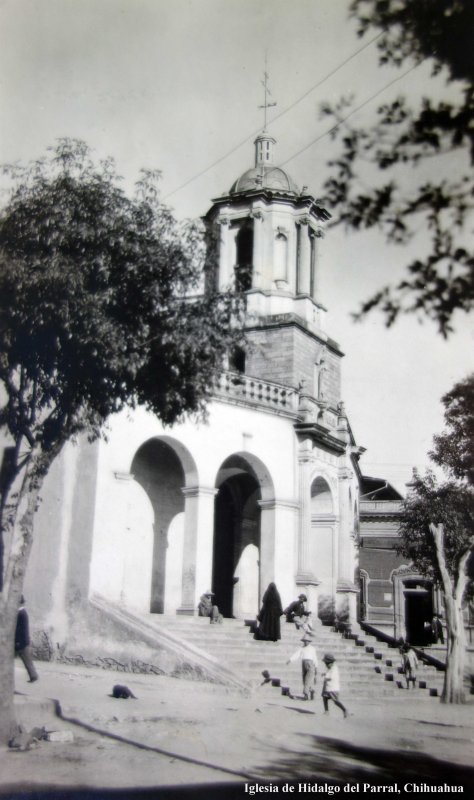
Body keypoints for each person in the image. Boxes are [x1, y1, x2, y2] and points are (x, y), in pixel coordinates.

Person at [15, 595, 38, 683]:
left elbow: (21, 630)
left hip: (22, 642)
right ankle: (33, 675)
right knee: (27, 659)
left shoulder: (21, 613)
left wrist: (18, 642)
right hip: (24, 641)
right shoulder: (23, 612)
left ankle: (33, 675)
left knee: (26, 659)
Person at [287, 634, 318, 700]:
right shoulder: (302, 648)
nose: (305, 642)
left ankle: (305, 695)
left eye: (307, 641)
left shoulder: (312, 649)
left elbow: (315, 658)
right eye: (304, 641)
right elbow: (297, 654)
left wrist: (316, 667)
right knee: (304, 680)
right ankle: (311, 690)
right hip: (304, 664)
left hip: (310, 664)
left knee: (307, 679)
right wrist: (290, 660)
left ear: (309, 641)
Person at [321, 653, 348, 718]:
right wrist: (325, 674)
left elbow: (331, 677)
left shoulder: (334, 669)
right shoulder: (329, 668)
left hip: (333, 688)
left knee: (335, 701)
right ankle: (326, 711)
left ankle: (344, 709)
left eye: (327, 663)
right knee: (324, 697)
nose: (326, 664)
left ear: (330, 662)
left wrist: (325, 678)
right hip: (327, 687)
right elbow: (328, 674)